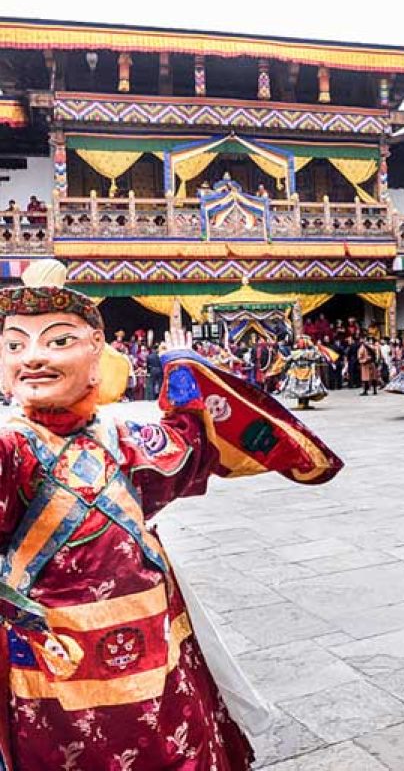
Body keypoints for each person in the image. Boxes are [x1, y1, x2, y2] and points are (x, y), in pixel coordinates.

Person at [0, 259, 343, 769]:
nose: (32, 359)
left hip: (158, 646)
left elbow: (195, 443)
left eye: (57, 341)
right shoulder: (12, 447)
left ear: (98, 352)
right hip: (56, 664)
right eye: (13, 346)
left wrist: (186, 380)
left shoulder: (129, 439)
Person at [283, 335, 330, 409]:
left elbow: (287, 360)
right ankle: (304, 403)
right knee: (307, 388)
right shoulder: (312, 353)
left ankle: (303, 403)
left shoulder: (295, 353)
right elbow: (320, 357)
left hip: (297, 373)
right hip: (308, 373)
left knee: (300, 388)